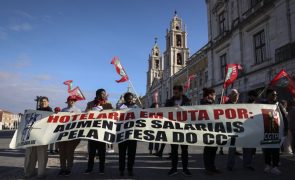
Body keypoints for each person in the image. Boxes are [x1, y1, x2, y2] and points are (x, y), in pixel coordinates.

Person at [84, 89, 113, 174]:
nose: (103, 95)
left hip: (102, 132)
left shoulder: (108, 104)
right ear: (97, 94)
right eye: (101, 94)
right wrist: (88, 112)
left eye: (104, 94)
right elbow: (85, 114)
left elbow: (114, 114)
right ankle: (89, 168)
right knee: (91, 152)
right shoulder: (90, 104)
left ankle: (102, 168)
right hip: (92, 132)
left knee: (102, 152)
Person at [23, 96, 52, 178]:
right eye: (41, 101)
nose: (43, 103)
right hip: (33, 137)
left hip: (43, 137)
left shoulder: (50, 112)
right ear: (39, 103)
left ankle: (41, 173)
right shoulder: (36, 111)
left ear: (48, 102)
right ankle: (29, 172)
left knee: (42, 156)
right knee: (31, 155)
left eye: (44, 101)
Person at [166, 85, 192, 176]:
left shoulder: (187, 102)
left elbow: (191, 113)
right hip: (173, 129)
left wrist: (182, 109)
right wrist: (172, 107)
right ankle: (174, 168)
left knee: (185, 150)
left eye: (176, 93)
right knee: (174, 151)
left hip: (184, 129)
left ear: (181, 92)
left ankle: (185, 169)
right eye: (174, 92)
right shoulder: (169, 102)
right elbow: (165, 113)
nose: (175, 94)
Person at [57, 96, 81, 176]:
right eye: (70, 100)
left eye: (73, 100)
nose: (72, 101)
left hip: (72, 135)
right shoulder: (63, 110)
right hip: (63, 134)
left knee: (69, 152)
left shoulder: (78, 111)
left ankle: (69, 168)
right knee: (62, 152)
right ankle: (62, 168)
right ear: (67, 101)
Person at [262, 89, 284, 175]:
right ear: (268, 95)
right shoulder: (263, 104)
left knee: (275, 149)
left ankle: (275, 167)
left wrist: (284, 128)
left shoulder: (278, 105)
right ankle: (267, 165)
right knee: (266, 149)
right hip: (266, 129)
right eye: (273, 94)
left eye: (276, 94)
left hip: (276, 130)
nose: (275, 96)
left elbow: (284, 116)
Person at [201, 88, 221, 175]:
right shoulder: (205, 104)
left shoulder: (212, 104)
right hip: (207, 130)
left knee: (213, 149)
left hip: (214, 129)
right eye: (214, 94)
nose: (215, 96)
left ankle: (212, 166)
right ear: (210, 95)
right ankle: (208, 167)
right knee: (208, 149)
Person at [118, 92, 138, 176]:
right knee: (121, 154)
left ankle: (130, 169)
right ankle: (121, 170)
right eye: (128, 99)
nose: (129, 100)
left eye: (131, 99)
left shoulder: (136, 107)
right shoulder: (121, 107)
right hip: (122, 134)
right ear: (125, 99)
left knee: (131, 154)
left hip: (132, 134)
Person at [242, 90, 259, 171]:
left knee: (251, 148)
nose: (254, 98)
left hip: (254, 129)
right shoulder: (246, 105)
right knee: (247, 148)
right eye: (253, 96)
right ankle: (247, 164)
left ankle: (247, 162)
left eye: (255, 96)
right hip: (247, 129)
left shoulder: (257, 104)